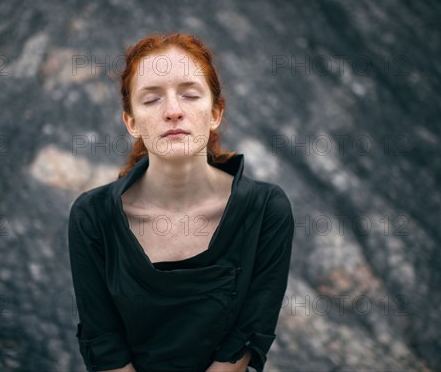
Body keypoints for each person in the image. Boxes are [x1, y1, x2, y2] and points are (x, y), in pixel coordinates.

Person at [68, 32, 295, 372]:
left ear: (216, 112)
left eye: (190, 95)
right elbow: (105, 347)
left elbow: (245, 340)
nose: (173, 111)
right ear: (131, 121)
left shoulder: (266, 210)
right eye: (151, 100)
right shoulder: (92, 216)